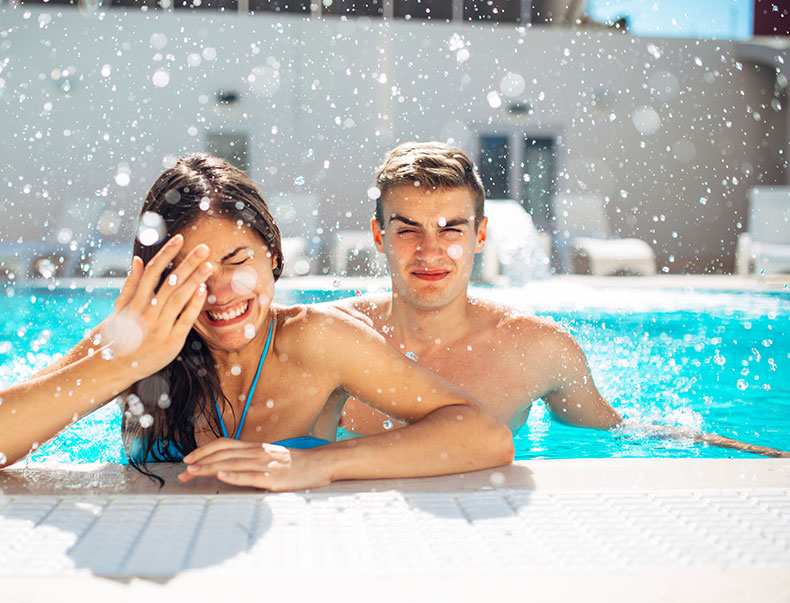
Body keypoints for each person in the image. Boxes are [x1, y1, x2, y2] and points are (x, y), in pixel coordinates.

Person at [0, 153, 514, 491]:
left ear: (273, 256)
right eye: (192, 273)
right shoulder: (135, 338)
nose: (220, 293)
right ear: (156, 276)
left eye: (239, 263)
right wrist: (131, 362)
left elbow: (484, 435)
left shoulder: (316, 341)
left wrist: (320, 464)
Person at [334, 141, 788, 458]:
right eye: (408, 229)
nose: (430, 251)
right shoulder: (332, 340)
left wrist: (754, 452)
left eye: (450, 228)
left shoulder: (538, 350)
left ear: (480, 236)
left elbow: (618, 432)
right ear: (380, 236)